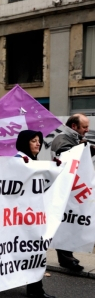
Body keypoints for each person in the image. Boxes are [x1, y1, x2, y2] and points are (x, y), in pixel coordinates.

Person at [14, 130, 56, 298]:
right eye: (33, 141)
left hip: (32, 217)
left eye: (39, 141)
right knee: (32, 252)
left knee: (35, 252)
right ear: (25, 143)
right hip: (21, 218)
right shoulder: (18, 161)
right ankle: (34, 287)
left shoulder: (32, 161)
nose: (38, 143)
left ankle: (35, 287)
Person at [50, 114, 93, 272]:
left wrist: (88, 150)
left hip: (74, 188)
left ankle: (68, 254)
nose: (87, 130)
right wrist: (82, 148)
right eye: (84, 127)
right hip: (66, 189)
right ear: (74, 127)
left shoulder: (76, 139)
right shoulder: (62, 139)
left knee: (72, 220)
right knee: (66, 221)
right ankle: (65, 257)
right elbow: (67, 157)